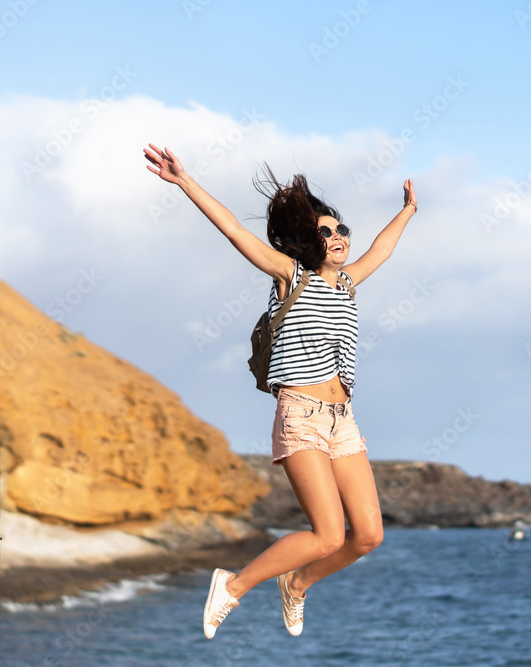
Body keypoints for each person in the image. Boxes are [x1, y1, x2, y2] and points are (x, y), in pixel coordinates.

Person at [142, 143, 417, 639]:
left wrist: (408, 211)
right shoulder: (291, 277)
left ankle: (296, 584)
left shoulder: (347, 285)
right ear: (308, 243)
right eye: (325, 232)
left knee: (368, 536)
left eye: (341, 229)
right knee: (329, 534)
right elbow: (234, 231)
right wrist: (185, 182)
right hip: (301, 416)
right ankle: (234, 584)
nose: (337, 237)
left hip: (343, 420)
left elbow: (383, 249)